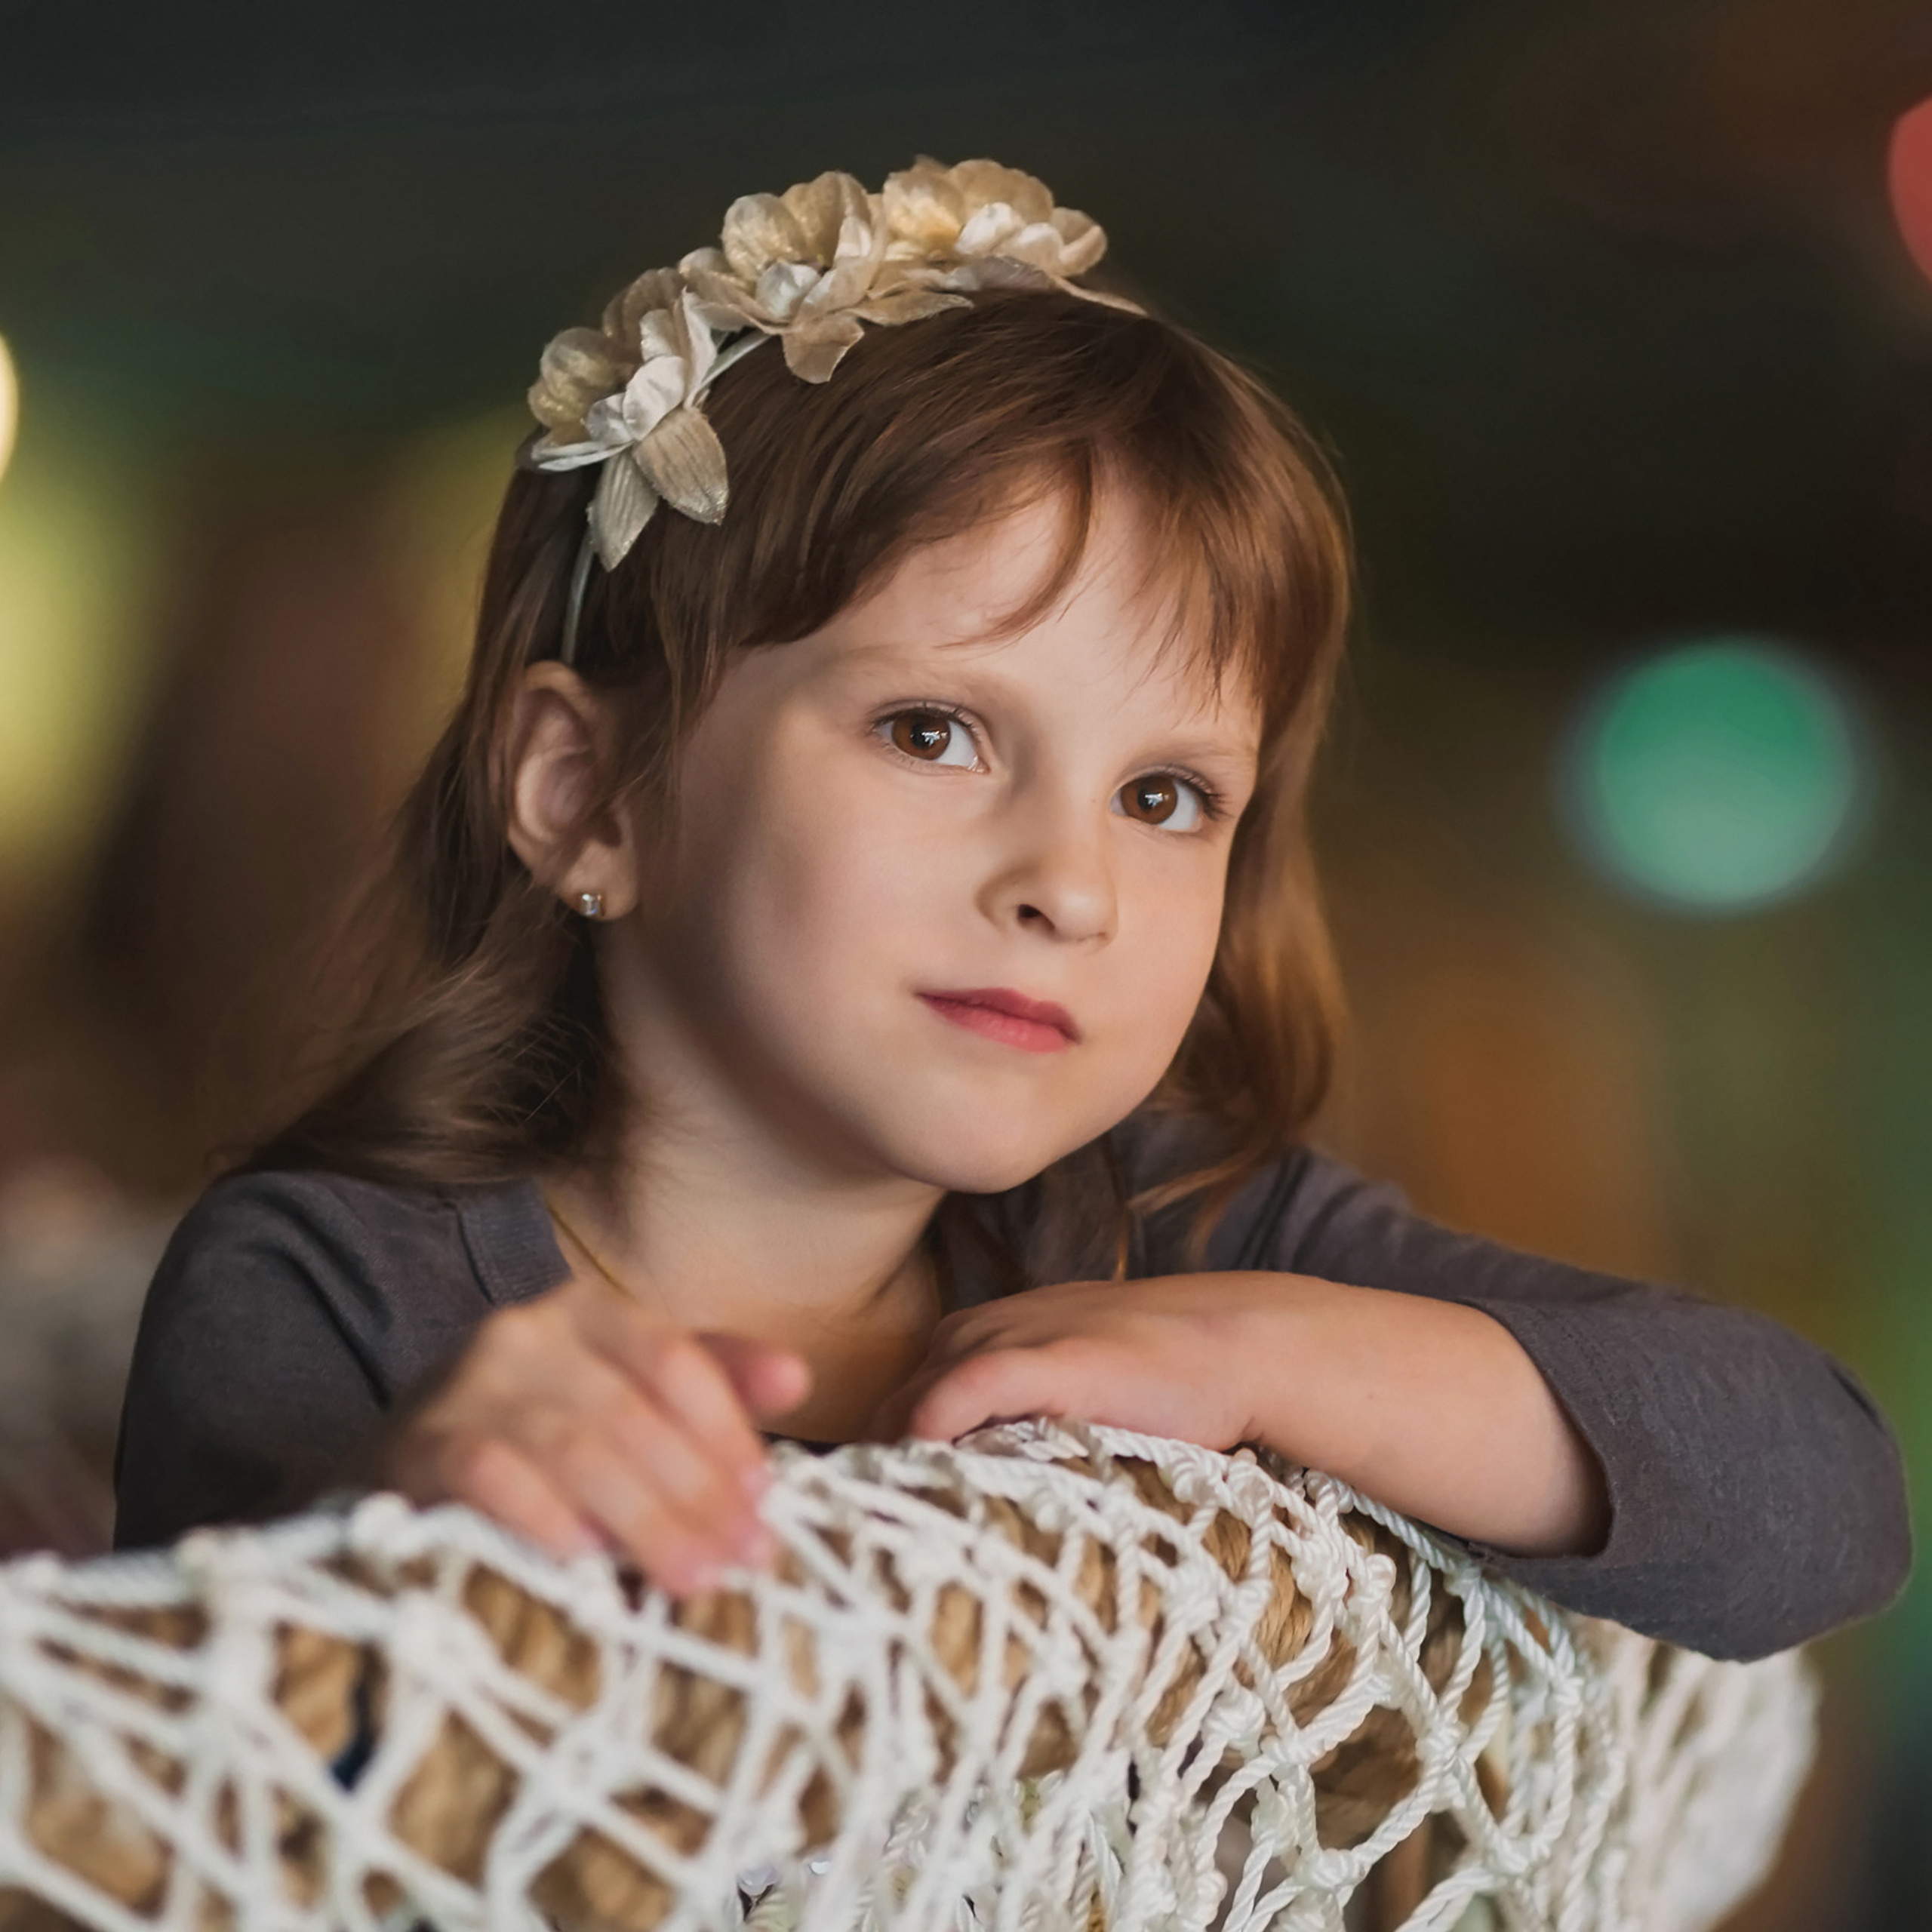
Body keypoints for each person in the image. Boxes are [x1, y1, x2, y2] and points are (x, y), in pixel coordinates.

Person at [114, 160, 1906, 1663]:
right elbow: (230, 1799)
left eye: (1163, 795)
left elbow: (1817, 1489)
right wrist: (417, 1515)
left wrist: (1272, 1350)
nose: (1068, 883)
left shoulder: (1180, 1228)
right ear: (587, 794)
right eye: (933, 730)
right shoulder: (335, 1282)